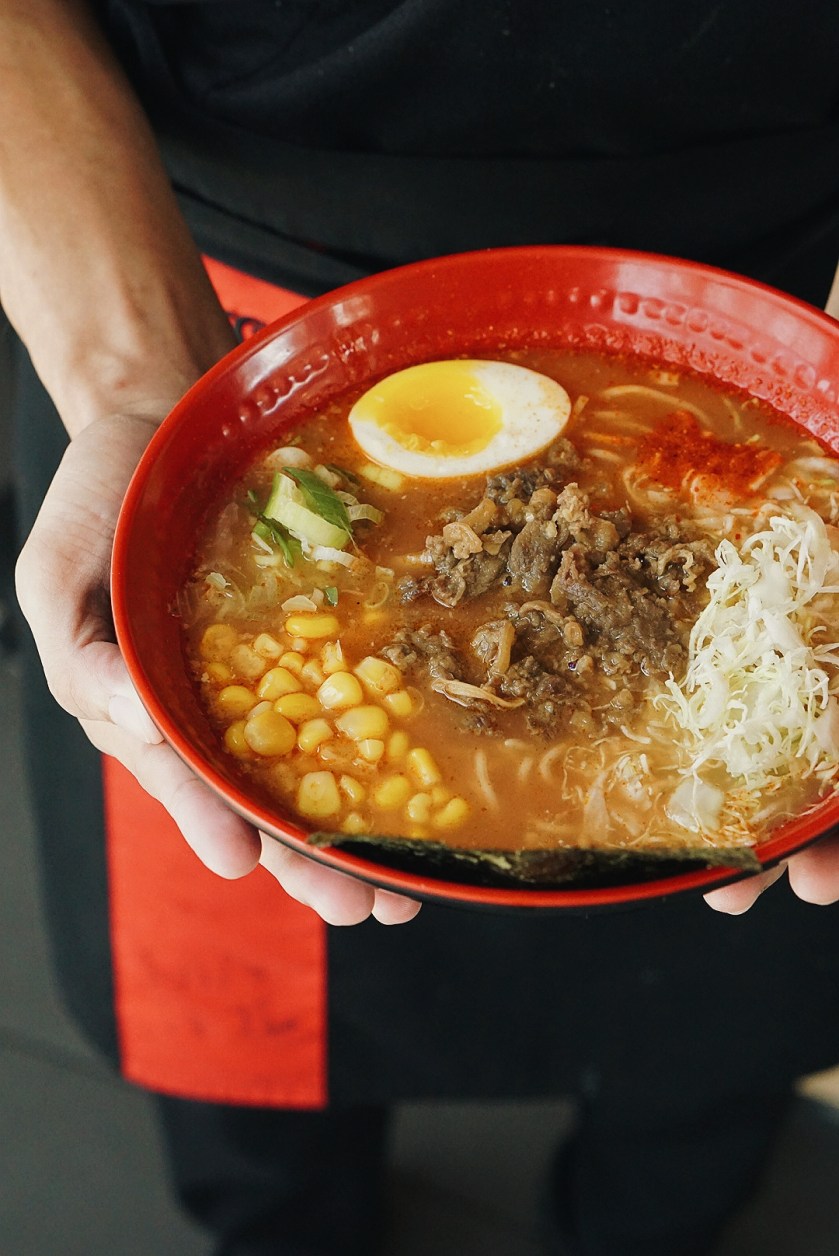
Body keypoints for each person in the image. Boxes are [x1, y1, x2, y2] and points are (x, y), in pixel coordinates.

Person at [5, 2, 839, 1253]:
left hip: (783, 285)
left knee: (709, 1064)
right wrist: (134, 381)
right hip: (184, 303)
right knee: (246, 1063)